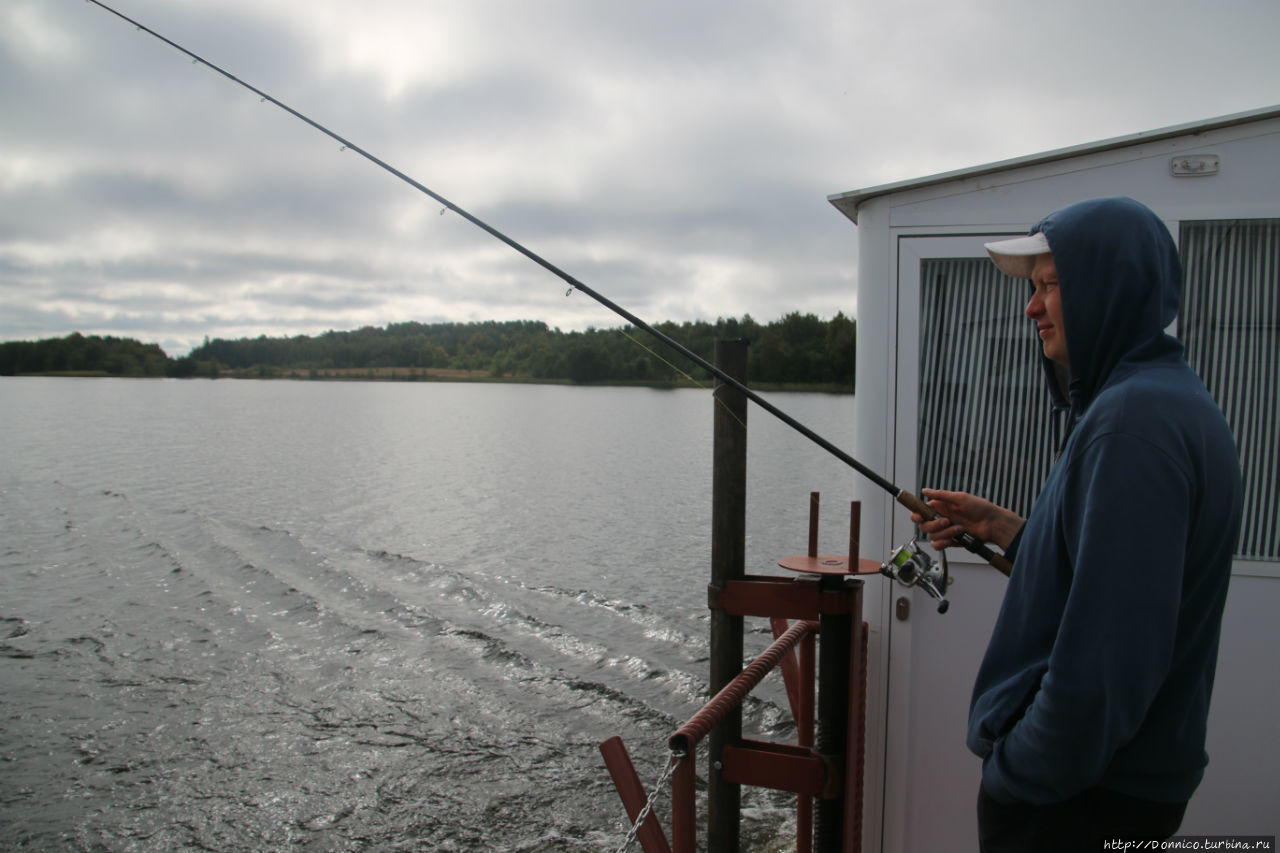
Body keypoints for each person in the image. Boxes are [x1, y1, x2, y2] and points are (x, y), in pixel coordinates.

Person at [912, 196, 1243, 852]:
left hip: (1076, 803)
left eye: (1052, 285)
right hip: (1107, 791)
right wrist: (1011, 530)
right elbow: (1123, 584)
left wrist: (1016, 771)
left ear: (1110, 286)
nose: (1031, 307)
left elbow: (1108, 657)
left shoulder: (1133, 422)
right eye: (1032, 288)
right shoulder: (1165, 400)